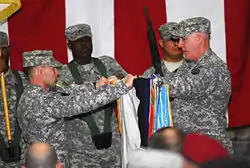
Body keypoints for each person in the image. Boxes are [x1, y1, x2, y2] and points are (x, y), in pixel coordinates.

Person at [17, 50, 136, 168]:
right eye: (53, 69)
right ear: (40, 72)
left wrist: (95, 85)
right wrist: (122, 87)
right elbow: (82, 103)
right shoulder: (42, 100)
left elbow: (68, 92)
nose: (57, 73)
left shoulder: (29, 96)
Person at [58, 23, 128, 167]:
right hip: (81, 152)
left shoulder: (107, 64)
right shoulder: (63, 73)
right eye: (78, 42)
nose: (84, 45)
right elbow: (61, 99)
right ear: (69, 45)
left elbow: (126, 84)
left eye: (87, 40)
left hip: (112, 147)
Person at [161, 17, 233, 153]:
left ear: (199, 38)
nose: (180, 45)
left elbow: (179, 87)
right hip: (191, 146)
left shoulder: (211, 67)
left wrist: (143, 82)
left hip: (208, 147)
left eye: (184, 39)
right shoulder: (189, 66)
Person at [0, 31, 27, 168]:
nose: (0, 54)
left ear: (9, 50)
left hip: (23, 157)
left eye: (3, 49)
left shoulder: (23, 79)